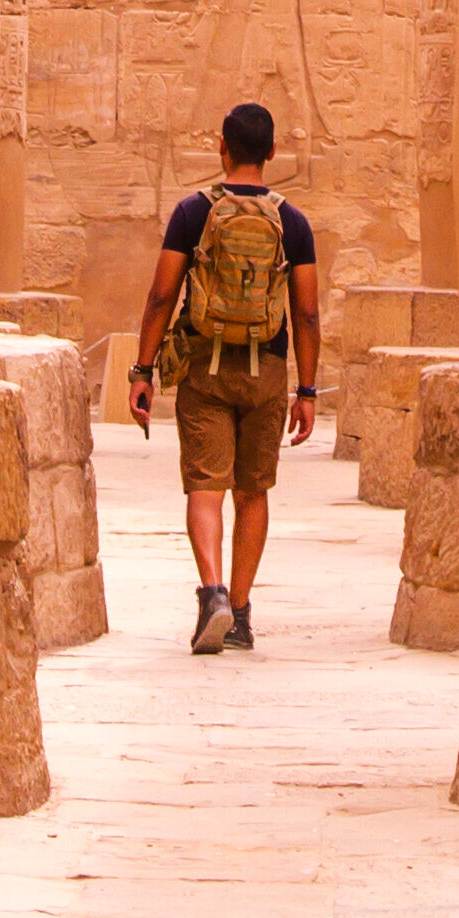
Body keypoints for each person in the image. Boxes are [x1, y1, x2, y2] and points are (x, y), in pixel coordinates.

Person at [128, 100, 321, 654]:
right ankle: (239, 613)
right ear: (272, 152)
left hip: (204, 367)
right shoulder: (293, 222)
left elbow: (161, 295)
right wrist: (307, 391)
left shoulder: (193, 213)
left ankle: (210, 590)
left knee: (205, 487)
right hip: (267, 370)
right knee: (252, 491)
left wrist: (143, 370)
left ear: (222, 147)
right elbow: (307, 313)